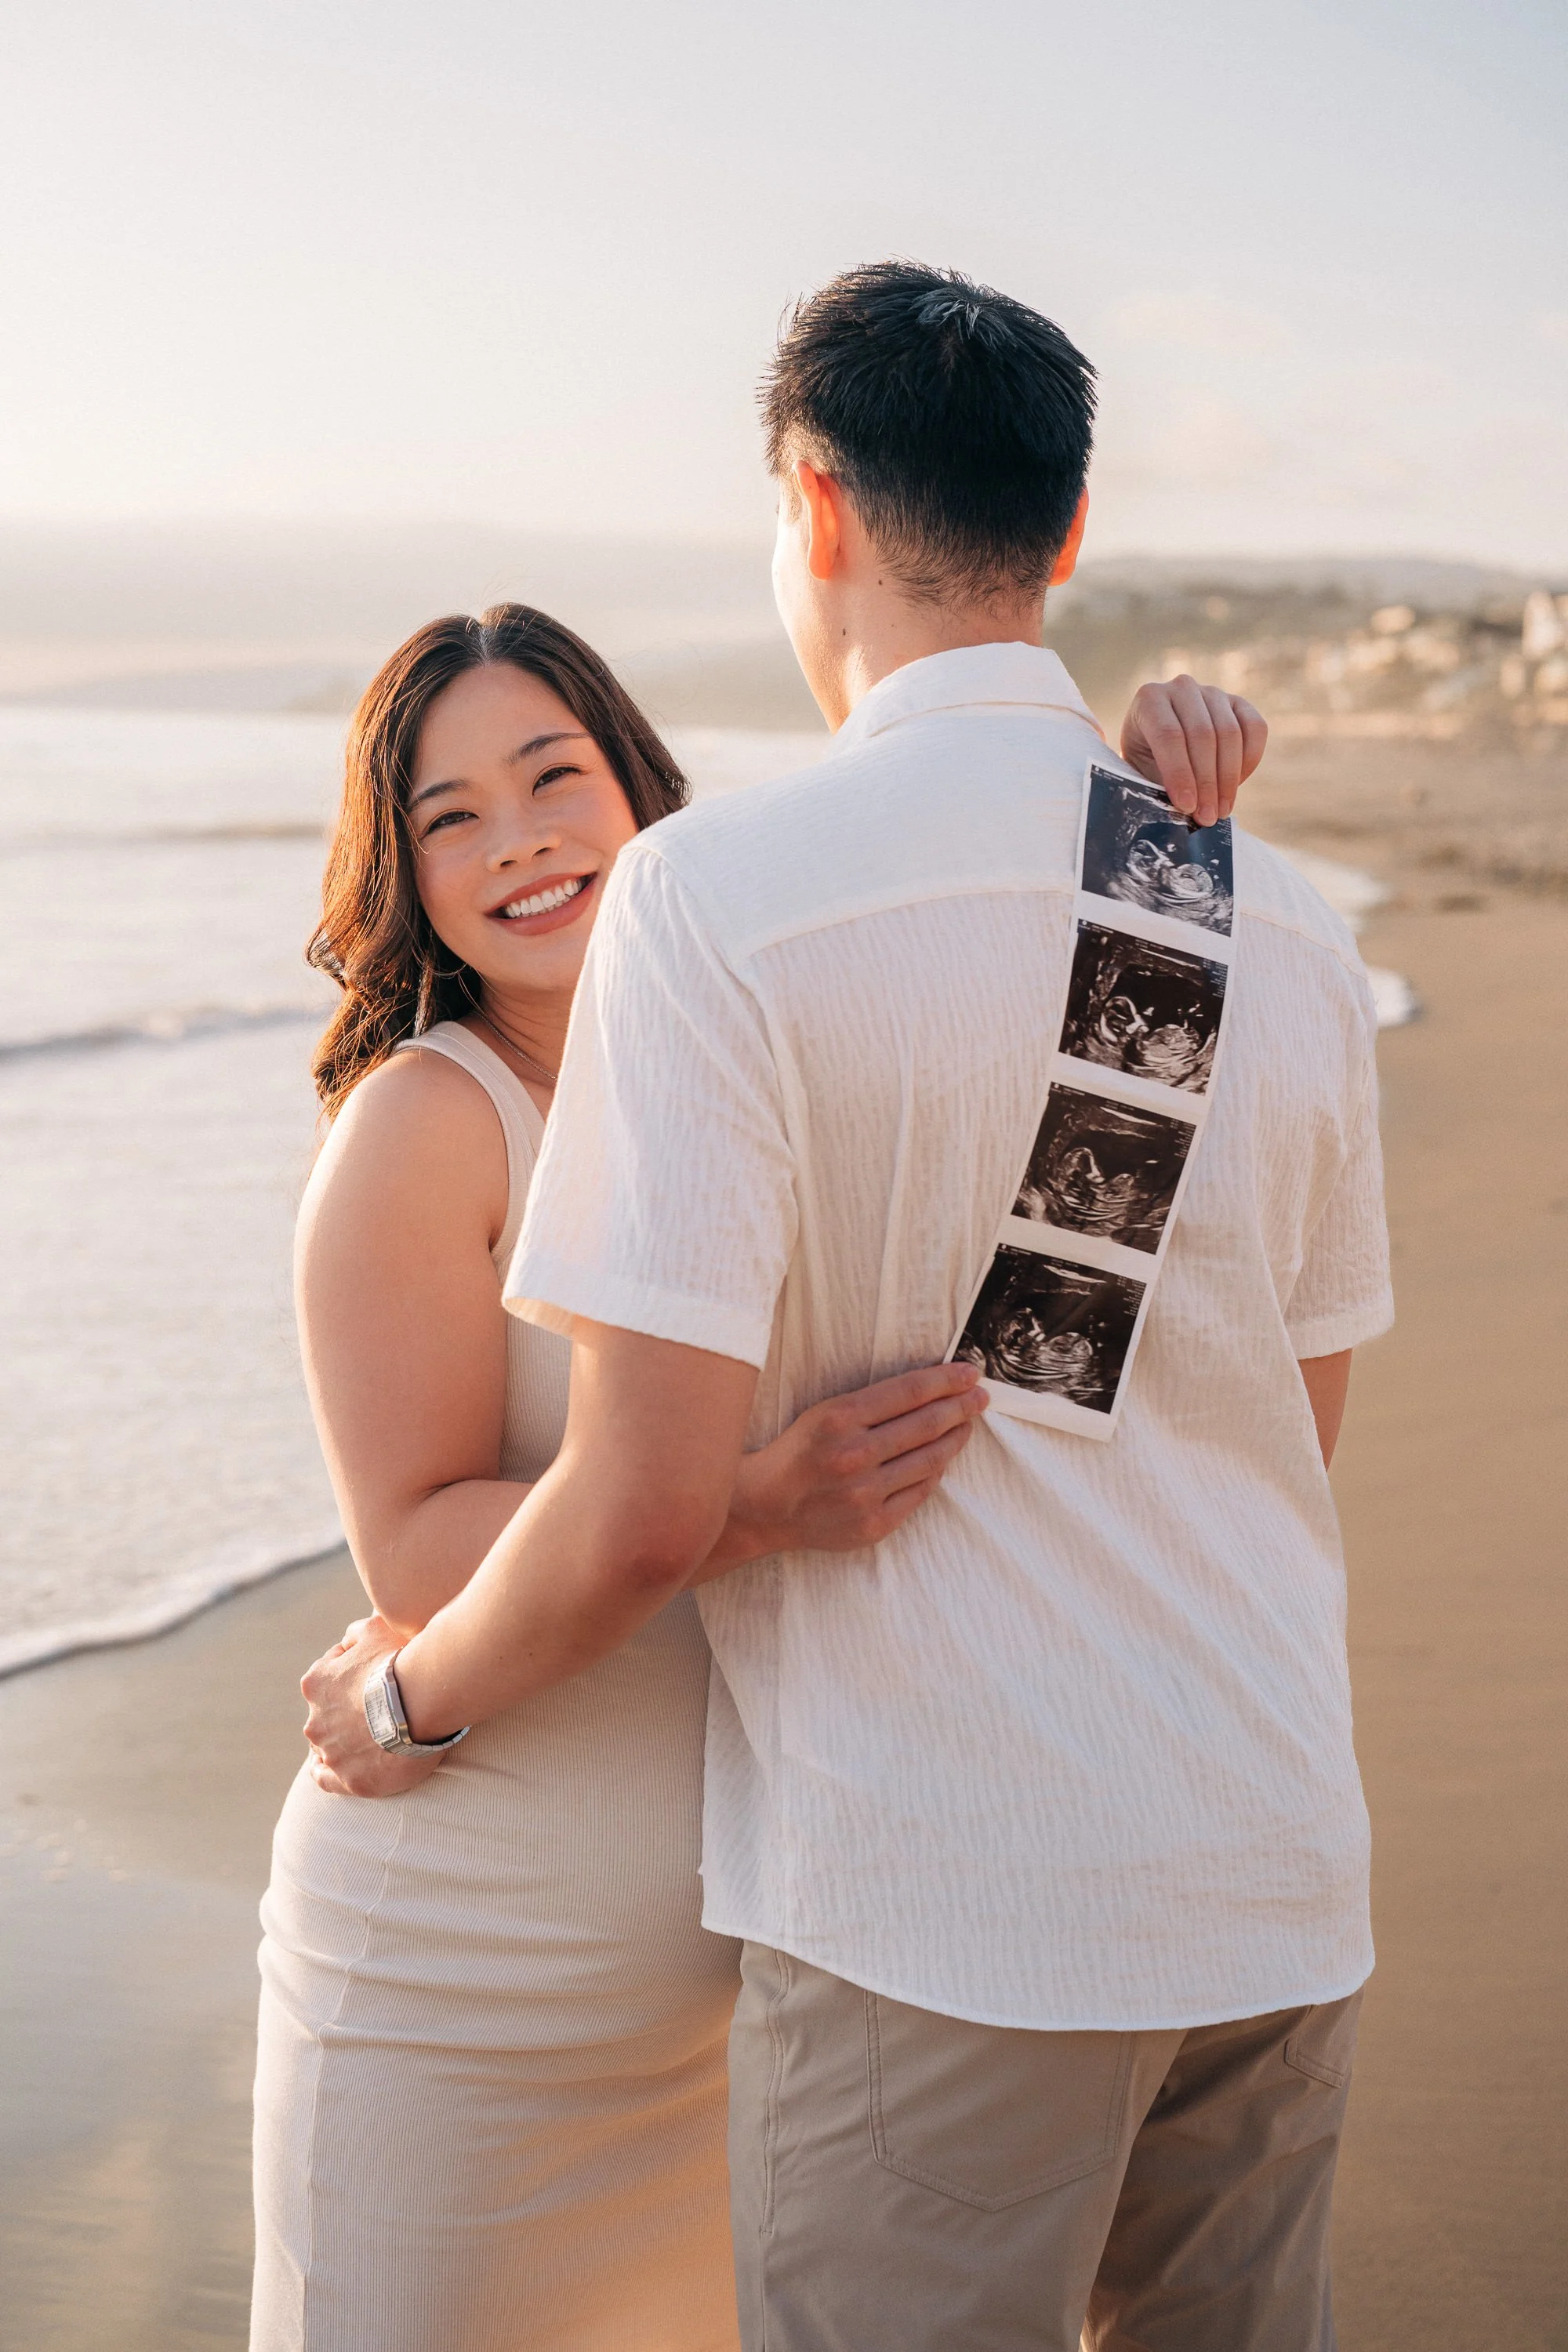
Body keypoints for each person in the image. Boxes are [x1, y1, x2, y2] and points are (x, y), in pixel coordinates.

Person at [256, 598, 1258, 2352]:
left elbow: (1014, 1008)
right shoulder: (427, 1122)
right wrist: (752, 1502)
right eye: (451, 816)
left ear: (643, 792)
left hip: (758, 1986)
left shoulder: (770, 1041)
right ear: (405, 879)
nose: (521, 841)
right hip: (466, 1977)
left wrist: (1152, 791)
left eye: (554, 776)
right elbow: (411, 1537)